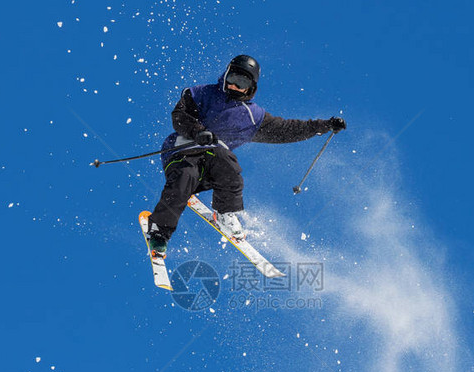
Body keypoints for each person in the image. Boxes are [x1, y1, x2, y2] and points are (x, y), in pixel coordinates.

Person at [146, 54, 346, 256]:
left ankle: (224, 213)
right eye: (232, 78)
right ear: (225, 75)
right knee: (184, 180)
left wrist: (325, 125)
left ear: (251, 87)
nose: (234, 86)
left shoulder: (252, 116)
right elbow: (180, 115)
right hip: (183, 152)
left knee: (227, 162)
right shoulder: (202, 94)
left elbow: (289, 129)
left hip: (212, 166)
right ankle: (159, 232)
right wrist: (197, 131)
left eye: (241, 82)